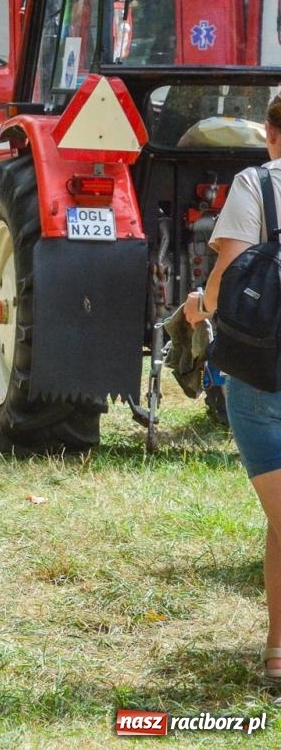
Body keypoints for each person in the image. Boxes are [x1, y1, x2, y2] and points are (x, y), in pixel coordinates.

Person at [183, 93, 281, 682]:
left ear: (270, 133)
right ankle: (277, 649)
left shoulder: (257, 184)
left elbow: (228, 276)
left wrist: (199, 305)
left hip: (264, 375)